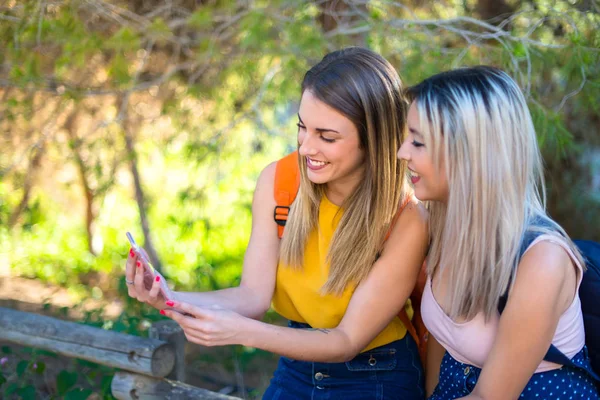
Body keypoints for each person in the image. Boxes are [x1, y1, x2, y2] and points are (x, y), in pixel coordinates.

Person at [125, 47, 429, 399]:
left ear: (373, 138)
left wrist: (242, 332)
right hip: (296, 365)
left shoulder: (406, 217)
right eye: (302, 128)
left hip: (378, 372)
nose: (305, 148)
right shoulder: (280, 182)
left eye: (326, 137)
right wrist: (167, 297)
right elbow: (252, 296)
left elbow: (346, 341)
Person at [397, 66, 599, 400]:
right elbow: (442, 341)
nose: (403, 152)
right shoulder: (443, 222)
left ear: (470, 155)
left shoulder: (542, 260)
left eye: (418, 142)